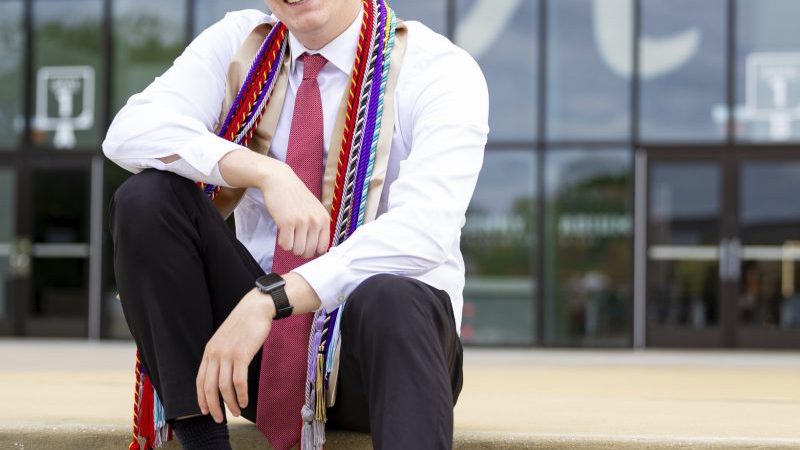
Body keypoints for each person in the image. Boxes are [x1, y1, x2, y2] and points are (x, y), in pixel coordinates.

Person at [103, 0, 488, 448]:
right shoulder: (242, 44)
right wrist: (265, 172)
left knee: (391, 296)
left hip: (387, 358)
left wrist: (272, 298)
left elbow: (424, 232)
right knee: (147, 199)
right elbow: (130, 131)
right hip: (259, 356)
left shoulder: (438, 68)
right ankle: (203, 441)